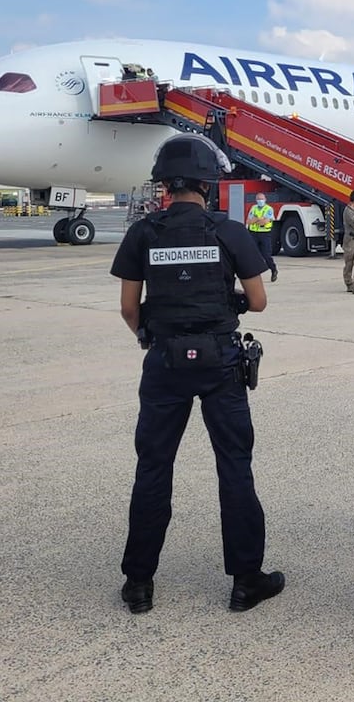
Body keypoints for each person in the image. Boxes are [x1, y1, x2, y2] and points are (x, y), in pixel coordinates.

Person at [109, 134, 284, 614]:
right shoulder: (228, 231)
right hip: (220, 362)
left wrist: (149, 336)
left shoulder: (143, 232)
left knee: (153, 467)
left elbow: (128, 308)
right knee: (234, 466)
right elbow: (257, 301)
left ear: (165, 183)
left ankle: (139, 583)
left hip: (164, 361)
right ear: (208, 183)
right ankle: (246, 580)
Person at [245, 193, 278, 282]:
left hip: (265, 234)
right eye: (258, 199)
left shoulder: (268, 209)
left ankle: (273, 269)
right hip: (253, 234)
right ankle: (253, 275)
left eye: (262, 199)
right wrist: (260, 218)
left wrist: (256, 219)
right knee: (252, 255)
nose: (260, 201)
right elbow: (248, 221)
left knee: (266, 255)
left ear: (265, 199)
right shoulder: (253, 208)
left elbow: (265, 222)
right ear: (256, 200)